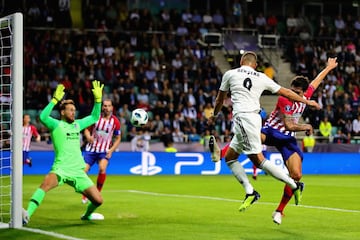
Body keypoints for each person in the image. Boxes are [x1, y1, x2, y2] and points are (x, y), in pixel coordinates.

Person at [210, 57, 338, 224]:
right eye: (292, 91)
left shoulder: (305, 94)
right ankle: (220, 155)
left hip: (287, 140)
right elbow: (289, 125)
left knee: (297, 174)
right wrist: (305, 126)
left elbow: (316, 81)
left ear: (304, 92)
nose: (294, 95)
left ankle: (279, 211)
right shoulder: (285, 98)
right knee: (247, 137)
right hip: (271, 131)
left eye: (298, 93)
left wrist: (328, 68)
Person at [22, 80, 105, 225]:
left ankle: (86, 216)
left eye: (74, 110)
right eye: (70, 110)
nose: (73, 112)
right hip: (61, 169)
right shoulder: (56, 125)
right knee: (45, 185)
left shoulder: (77, 125)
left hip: (78, 171)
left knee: (98, 200)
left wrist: (98, 101)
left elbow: (94, 117)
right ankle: (26, 214)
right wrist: (54, 100)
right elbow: (42, 117)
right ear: (62, 112)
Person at [81, 99, 121, 204]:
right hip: (91, 149)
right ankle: (86, 193)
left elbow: (118, 138)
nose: (106, 108)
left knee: (102, 168)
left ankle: (97, 192)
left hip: (105, 150)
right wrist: (88, 136)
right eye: (104, 106)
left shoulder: (115, 121)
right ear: (102, 107)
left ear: (112, 108)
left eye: (108, 106)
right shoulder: (95, 118)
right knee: (83, 172)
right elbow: (86, 130)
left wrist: (111, 150)